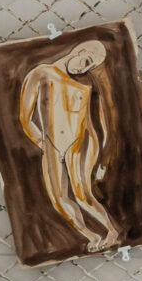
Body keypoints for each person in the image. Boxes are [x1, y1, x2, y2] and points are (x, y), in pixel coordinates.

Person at [17, 39, 119, 251]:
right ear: (79, 50)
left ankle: (112, 231)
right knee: (59, 198)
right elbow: (25, 117)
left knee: (83, 195)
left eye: (90, 66)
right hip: (51, 145)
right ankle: (91, 236)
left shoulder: (87, 84)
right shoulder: (41, 73)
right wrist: (41, 142)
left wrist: (100, 157)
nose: (85, 67)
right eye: (87, 60)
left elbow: (95, 123)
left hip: (79, 144)